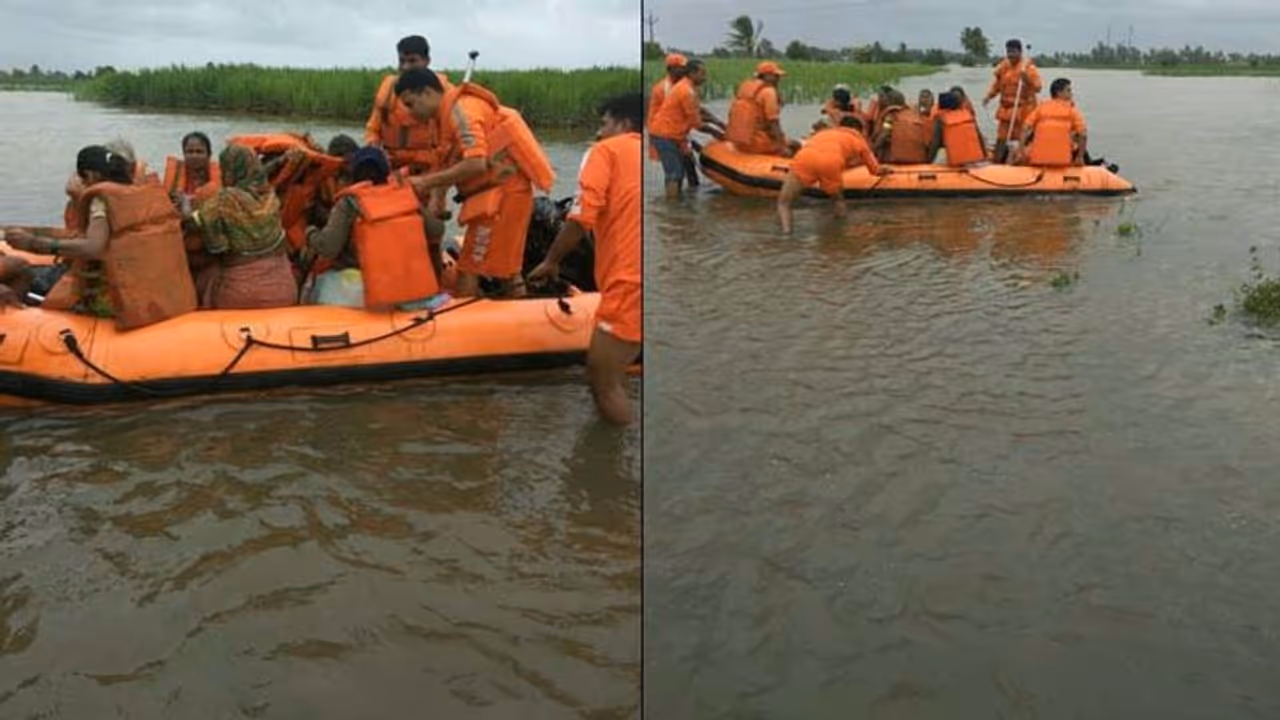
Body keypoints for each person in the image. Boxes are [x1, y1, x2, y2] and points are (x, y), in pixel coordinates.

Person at [527, 93, 641, 425]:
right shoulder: (648, 152)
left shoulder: (604, 151)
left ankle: (613, 460)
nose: (600, 132)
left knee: (601, 380)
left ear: (623, 123)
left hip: (629, 281)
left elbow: (581, 218)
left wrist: (550, 261)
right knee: (614, 373)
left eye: (604, 124)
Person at [394, 67, 556, 298]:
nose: (410, 113)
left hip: (503, 196)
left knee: (469, 269)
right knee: (508, 271)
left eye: (410, 104)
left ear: (427, 92)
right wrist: (438, 197)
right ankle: (519, 318)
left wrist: (424, 182)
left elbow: (476, 163)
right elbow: (447, 158)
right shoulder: (442, 118)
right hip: (501, 192)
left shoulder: (463, 112)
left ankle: (464, 323)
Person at [5, 146, 196, 328]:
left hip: (111, 298)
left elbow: (93, 247)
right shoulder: (145, 194)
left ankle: (18, 320)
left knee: (22, 272)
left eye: (82, 178)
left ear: (90, 175)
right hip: (159, 296)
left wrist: (34, 243)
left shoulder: (101, 200)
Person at [303, 146, 442, 308]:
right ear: (385, 172)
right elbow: (437, 230)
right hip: (409, 284)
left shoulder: (349, 203)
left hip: (365, 286)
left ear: (354, 174)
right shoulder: (405, 194)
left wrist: (310, 232)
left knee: (315, 286)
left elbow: (328, 248)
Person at [185, 144, 299, 309]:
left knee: (204, 277)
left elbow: (215, 245)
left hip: (241, 296)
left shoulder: (224, 200)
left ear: (228, 171)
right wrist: (280, 161)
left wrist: (187, 208)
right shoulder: (270, 196)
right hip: (286, 292)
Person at [777, 115, 888, 234]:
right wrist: (886, 169)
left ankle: (786, 233)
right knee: (837, 201)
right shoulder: (860, 141)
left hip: (805, 159)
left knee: (784, 203)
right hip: (831, 162)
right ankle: (840, 233)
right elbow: (875, 170)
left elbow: (801, 145)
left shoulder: (823, 133)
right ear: (858, 130)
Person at [647, 58, 709, 199]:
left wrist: (717, 124)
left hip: (675, 133)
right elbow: (696, 122)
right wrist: (717, 132)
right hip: (665, 134)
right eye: (702, 74)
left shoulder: (684, 87)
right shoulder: (678, 89)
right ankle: (673, 208)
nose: (705, 78)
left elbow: (695, 111)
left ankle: (678, 203)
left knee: (680, 170)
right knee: (675, 173)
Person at [984, 39, 1042, 163]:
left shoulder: (1029, 68)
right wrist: (989, 96)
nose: (1010, 55)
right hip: (1006, 110)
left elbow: (1038, 88)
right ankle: (996, 163)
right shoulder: (1004, 66)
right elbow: (997, 85)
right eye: (1008, 52)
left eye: (1013, 52)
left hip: (1023, 111)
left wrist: (1026, 80)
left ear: (1020, 52)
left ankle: (1021, 162)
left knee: (1023, 139)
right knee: (1001, 138)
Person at [725, 61, 797, 157]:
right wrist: (782, 147)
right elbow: (773, 123)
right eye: (776, 75)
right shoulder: (769, 92)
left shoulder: (744, 89)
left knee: (788, 141)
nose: (779, 79)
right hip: (757, 143)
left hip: (741, 142)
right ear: (766, 76)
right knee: (796, 146)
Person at [1018, 78, 1088, 166]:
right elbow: (1083, 134)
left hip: (1037, 160)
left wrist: (1020, 151)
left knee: (1014, 151)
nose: (1071, 93)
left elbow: (1025, 128)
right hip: (1062, 161)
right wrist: (1080, 157)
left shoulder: (1041, 108)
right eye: (1068, 90)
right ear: (1059, 93)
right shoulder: (1072, 111)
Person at [928, 90, 988, 167]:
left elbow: (934, 145)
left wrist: (927, 162)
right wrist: (985, 157)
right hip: (977, 161)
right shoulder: (968, 116)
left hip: (957, 165)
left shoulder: (941, 120)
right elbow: (979, 138)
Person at [871, 90, 930, 164]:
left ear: (891, 102)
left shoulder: (890, 116)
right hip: (918, 160)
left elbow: (884, 134)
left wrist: (871, 151)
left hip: (895, 160)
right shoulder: (914, 115)